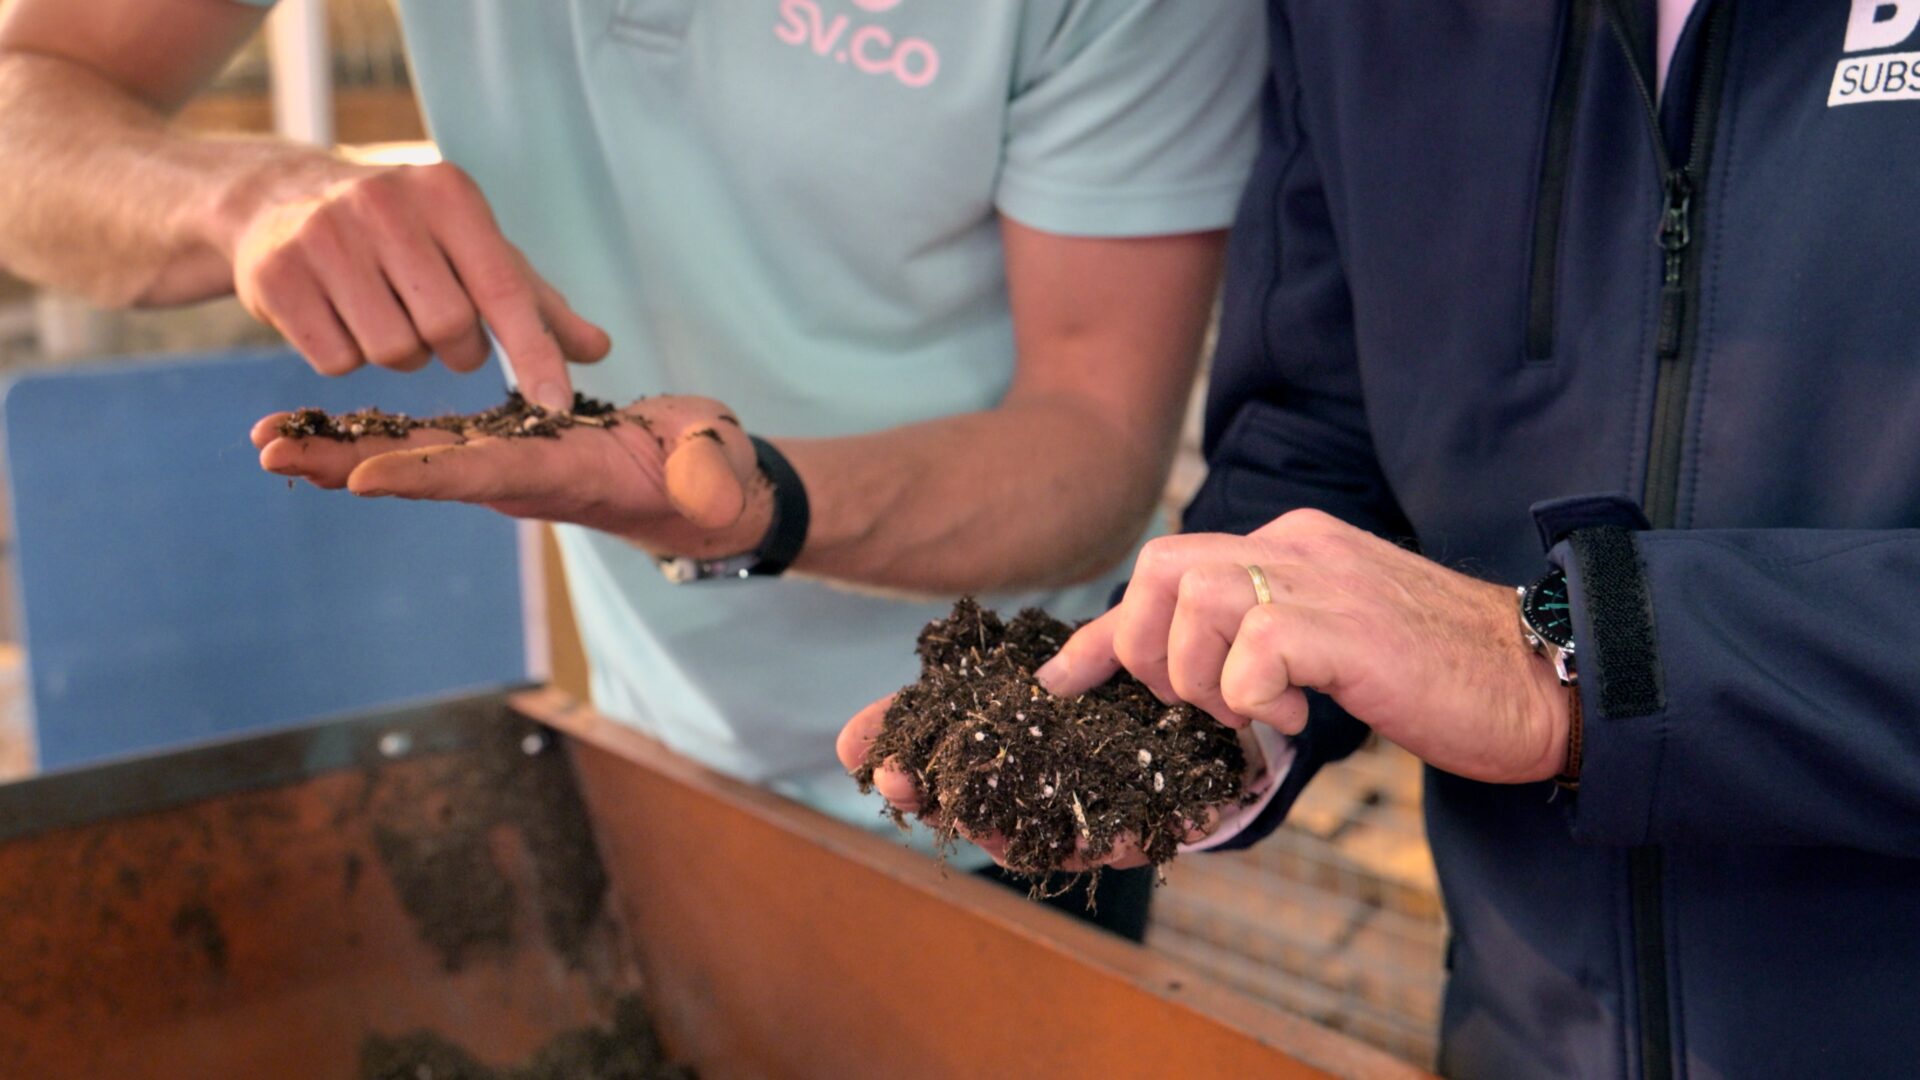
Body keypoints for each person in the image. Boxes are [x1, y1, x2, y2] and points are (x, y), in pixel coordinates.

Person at [0, 0, 1267, 939]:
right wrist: (237, 196)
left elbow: (1097, 436)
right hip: (653, 740)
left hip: (1019, 763)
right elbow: (27, 102)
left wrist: (755, 506)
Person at [844, 0, 1920, 1074]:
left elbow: (1543, 655)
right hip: (1529, 1030)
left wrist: (1572, 661)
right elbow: (1317, 422)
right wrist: (1194, 714)